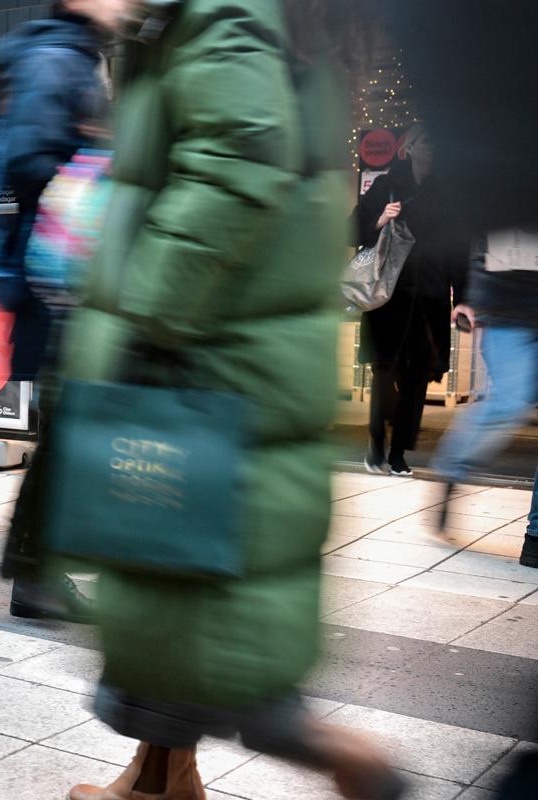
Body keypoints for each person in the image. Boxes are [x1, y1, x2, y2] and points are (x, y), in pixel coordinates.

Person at [41, 2, 405, 798]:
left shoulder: (222, 14)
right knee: (172, 592)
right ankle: (157, 783)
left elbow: (240, 162)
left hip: (206, 353)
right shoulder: (213, 19)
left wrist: (146, 305)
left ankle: (332, 750)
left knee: (199, 605)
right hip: (223, 351)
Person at [0, 0, 110, 625]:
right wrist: (99, 155)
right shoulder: (59, 57)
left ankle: (34, 573)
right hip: (63, 282)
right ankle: (35, 574)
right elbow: (34, 162)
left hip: (61, 281)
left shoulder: (74, 55)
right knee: (69, 431)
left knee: (67, 433)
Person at [356, 124, 470, 477]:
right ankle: (377, 443)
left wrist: (461, 298)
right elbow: (354, 228)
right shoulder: (385, 185)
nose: (433, 149)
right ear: (410, 148)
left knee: (418, 376)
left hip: (430, 296)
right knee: (385, 371)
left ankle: (398, 453)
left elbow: (458, 251)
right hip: (390, 295)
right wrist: (379, 219)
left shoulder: (448, 194)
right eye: (428, 142)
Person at [431, 235, 538, 568]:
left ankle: (536, 535)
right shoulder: (508, 186)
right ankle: (453, 467)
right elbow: (477, 231)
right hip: (509, 312)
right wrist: (465, 296)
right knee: (509, 402)